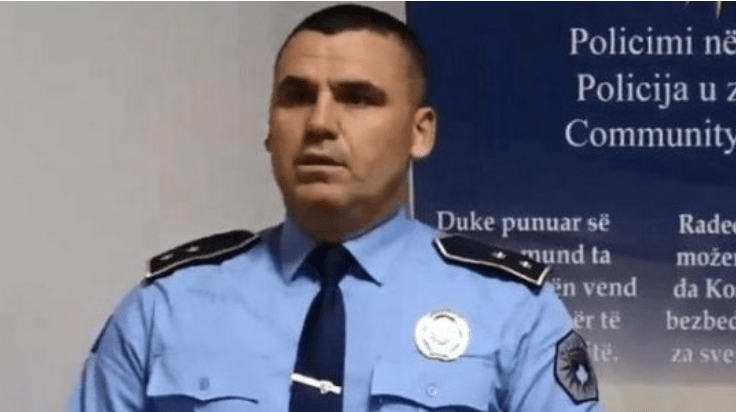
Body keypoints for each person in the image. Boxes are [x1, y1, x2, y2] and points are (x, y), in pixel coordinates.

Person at [69, 4, 603, 412]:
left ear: (420, 133)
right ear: (269, 127)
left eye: (358, 98)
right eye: (296, 96)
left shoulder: (512, 311)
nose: (320, 123)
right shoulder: (167, 308)